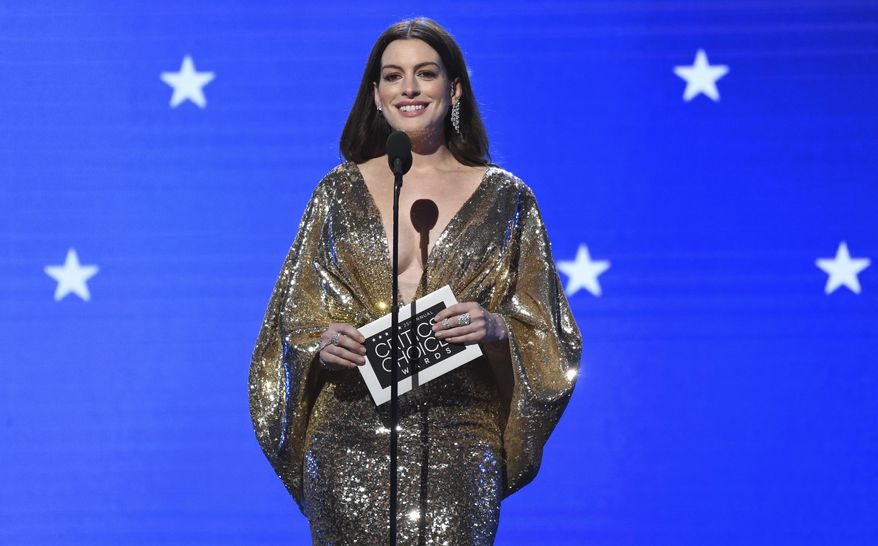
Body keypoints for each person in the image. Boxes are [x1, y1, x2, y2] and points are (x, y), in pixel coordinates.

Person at [249, 17, 581, 545]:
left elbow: (549, 337)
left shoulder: (507, 198)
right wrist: (320, 345)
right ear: (376, 95)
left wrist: (497, 330)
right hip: (346, 436)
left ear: (455, 90)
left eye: (425, 73)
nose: (408, 88)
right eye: (392, 76)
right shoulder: (336, 192)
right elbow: (290, 323)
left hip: (458, 438)